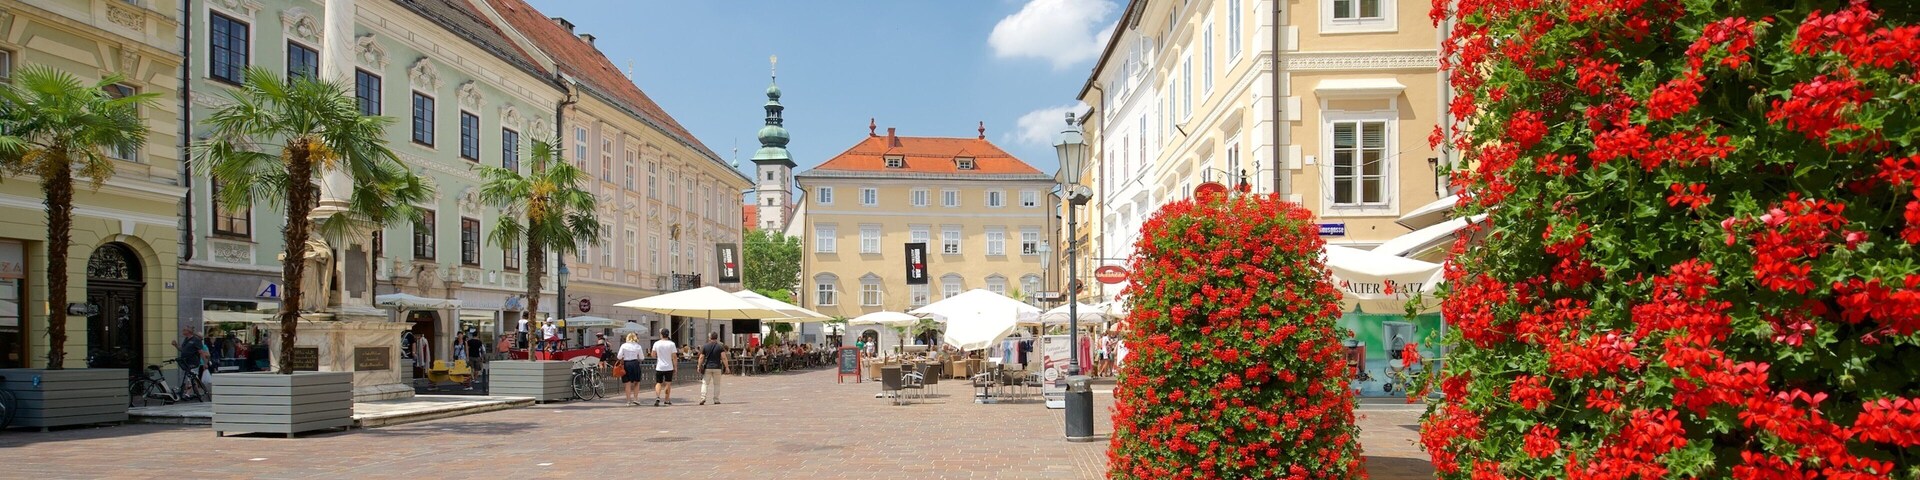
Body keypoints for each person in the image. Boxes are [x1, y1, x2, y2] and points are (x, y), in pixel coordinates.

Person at [171, 327, 209, 398]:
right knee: (186, 377)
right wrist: (176, 345)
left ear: (189, 331)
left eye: (184, 330)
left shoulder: (196, 340)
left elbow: (201, 352)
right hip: (185, 362)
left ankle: (188, 393)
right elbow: (182, 350)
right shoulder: (186, 339)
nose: (182, 331)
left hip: (193, 362)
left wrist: (205, 363)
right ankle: (196, 393)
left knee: (190, 377)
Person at [697, 332, 729, 405]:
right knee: (717, 384)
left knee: (705, 383)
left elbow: (701, 357)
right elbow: (724, 357)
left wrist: (699, 366)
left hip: (708, 367)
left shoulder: (705, 346)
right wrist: (727, 367)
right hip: (717, 367)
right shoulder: (720, 347)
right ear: (716, 338)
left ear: (709, 337)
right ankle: (716, 399)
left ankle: (703, 398)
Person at [617, 333, 647, 406]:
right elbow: (642, 358)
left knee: (627, 383)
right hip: (635, 363)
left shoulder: (623, 345)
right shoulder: (638, 346)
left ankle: (628, 401)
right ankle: (635, 399)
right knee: (637, 382)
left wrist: (624, 356)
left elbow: (619, 356)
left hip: (626, 364)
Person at [651, 330, 678, 406]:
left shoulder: (656, 343)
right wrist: (675, 367)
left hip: (659, 366)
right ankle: (666, 399)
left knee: (658, 382)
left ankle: (657, 396)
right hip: (669, 366)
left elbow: (653, 354)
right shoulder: (671, 344)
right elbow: (674, 357)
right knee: (668, 383)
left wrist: (657, 355)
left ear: (661, 335)